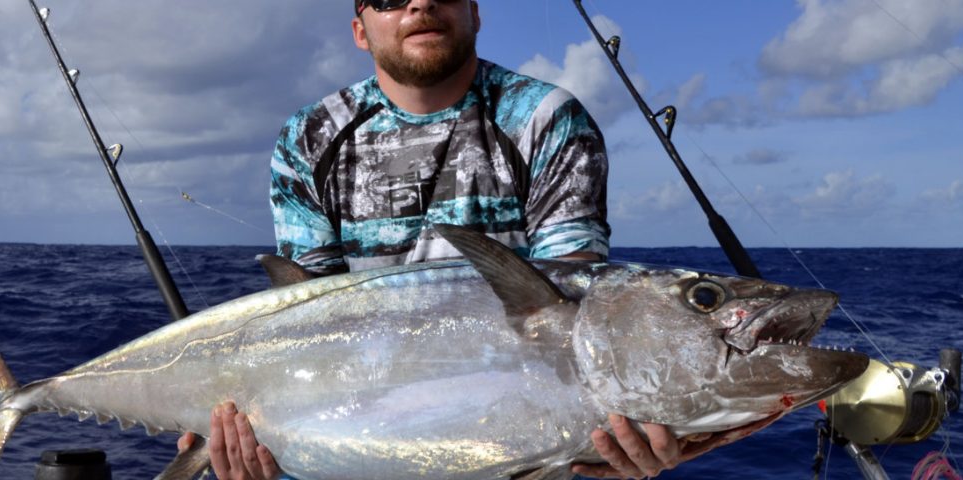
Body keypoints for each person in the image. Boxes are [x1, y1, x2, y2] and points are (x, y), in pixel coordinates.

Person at [182, 0, 694, 478]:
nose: (420, 3)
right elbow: (304, 315)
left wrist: (649, 428)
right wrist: (251, 425)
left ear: (474, 12)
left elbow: (572, 318)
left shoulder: (544, 118)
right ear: (360, 30)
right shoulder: (311, 134)